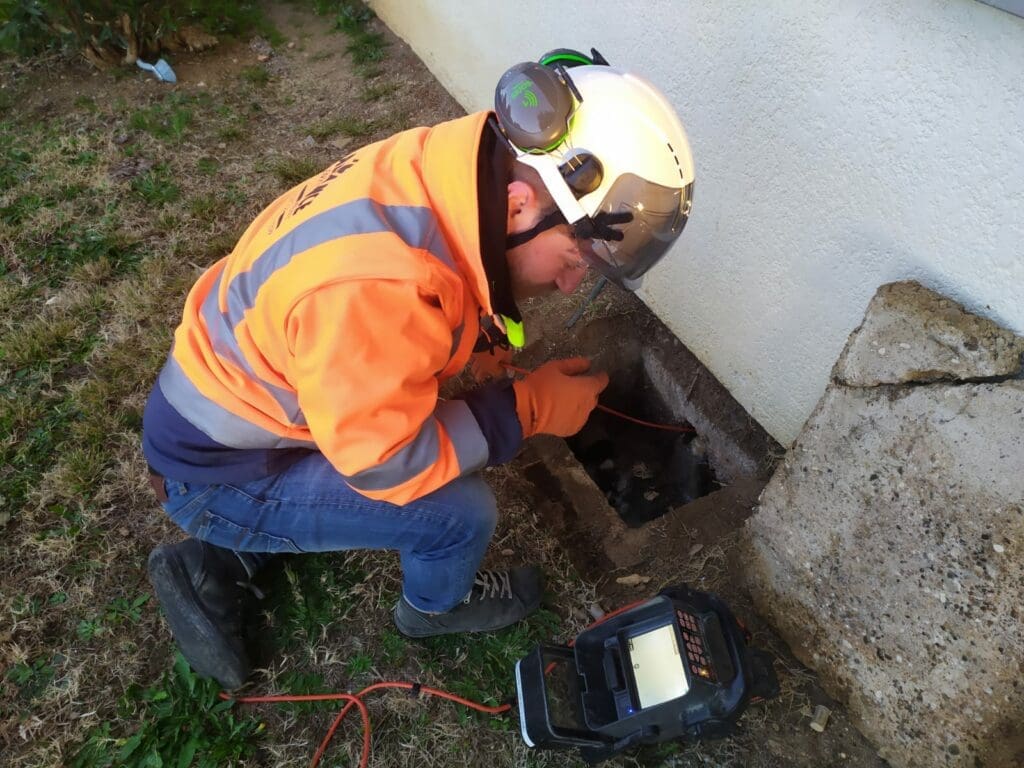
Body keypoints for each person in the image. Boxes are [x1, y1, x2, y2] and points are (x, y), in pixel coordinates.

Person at [143, 48, 695, 689]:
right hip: (214, 473)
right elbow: (383, 462)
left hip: (241, 410)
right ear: (519, 207)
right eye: (578, 255)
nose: (573, 285)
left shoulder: (439, 171)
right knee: (460, 513)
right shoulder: (379, 288)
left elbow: (426, 302)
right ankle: (433, 607)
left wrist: (488, 344)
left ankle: (243, 541)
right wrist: (528, 409)